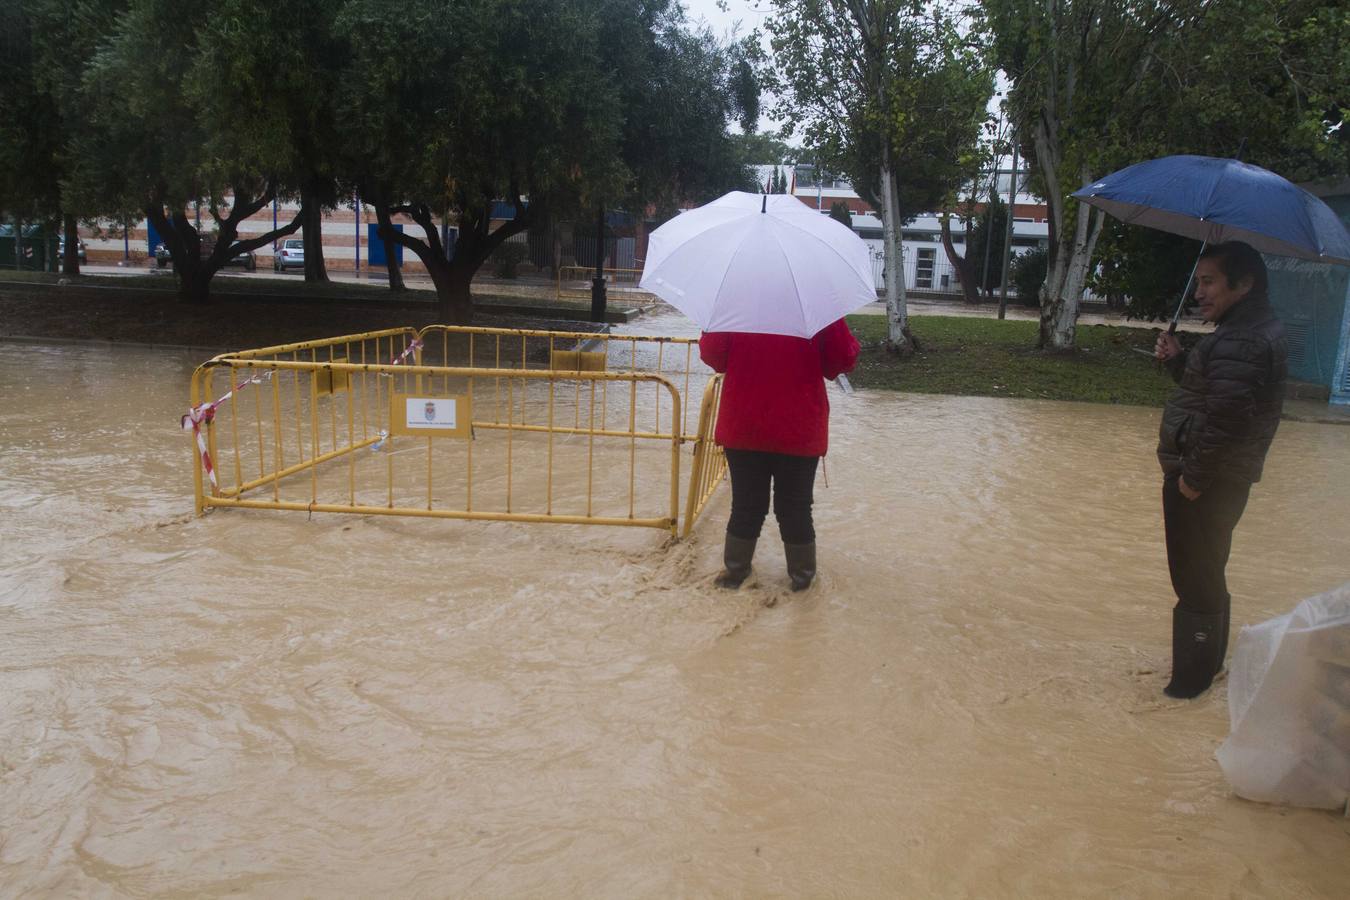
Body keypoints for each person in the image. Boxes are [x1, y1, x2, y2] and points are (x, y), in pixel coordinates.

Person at [1153, 240, 1287, 699]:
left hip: (1206, 481)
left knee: (1194, 577)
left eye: (1209, 282)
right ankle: (1207, 672)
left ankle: (1186, 688)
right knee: (1208, 571)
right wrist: (1179, 361)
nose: (1199, 293)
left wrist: (1192, 480)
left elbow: (1227, 417)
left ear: (1244, 283)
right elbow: (1213, 392)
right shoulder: (1240, 334)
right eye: (1199, 282)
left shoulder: (1244, 339)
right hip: (1221, 478)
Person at [698, 319, 860, 592]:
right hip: (799, 428)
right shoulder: (816, 307)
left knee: (746, 506)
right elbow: (839, 362)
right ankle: (802, 584)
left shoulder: (736, 304)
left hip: (744, 425)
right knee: (795, 508)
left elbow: (714, 357)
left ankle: (734, 577)